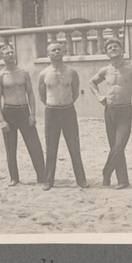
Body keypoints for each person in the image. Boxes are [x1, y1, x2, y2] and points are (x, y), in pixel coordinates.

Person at [89, 38, 132, 189]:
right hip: (110, 110)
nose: (113, 49)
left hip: (125, 110)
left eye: (116, 46)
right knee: (114, 146)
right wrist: (99, 96)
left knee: (119, 145)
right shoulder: (105, 71)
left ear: (122, 50)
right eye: (110, 48)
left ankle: (106, 172)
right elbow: (92, 82)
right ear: (106, 53)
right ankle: (123, 180)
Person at [38, 41, 87, 190]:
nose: (57, 52)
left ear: (64, 52)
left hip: (68, 111)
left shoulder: (71, 72)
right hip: (52, 112)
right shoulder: (44, 74)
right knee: (51, 146)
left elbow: (75, 92)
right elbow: (42, 95)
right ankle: (49, 181)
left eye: (59, 49)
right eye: (53, 50)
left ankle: (81, 180)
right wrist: (53, 105)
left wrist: (65, 104)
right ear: (48, 54)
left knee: (74, 145)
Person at [0, 44, 45, 186]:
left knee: (34, 144)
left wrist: (32, 114)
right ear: (2, 57)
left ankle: (42, 176)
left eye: (12, 52)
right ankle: (14, 177)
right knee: (10, 147)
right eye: (7, 53)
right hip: (9, 111)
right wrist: (1, 120)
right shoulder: (0, 76)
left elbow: (30, 94)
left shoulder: (23, 73)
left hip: (23, 110)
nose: (10, 55)